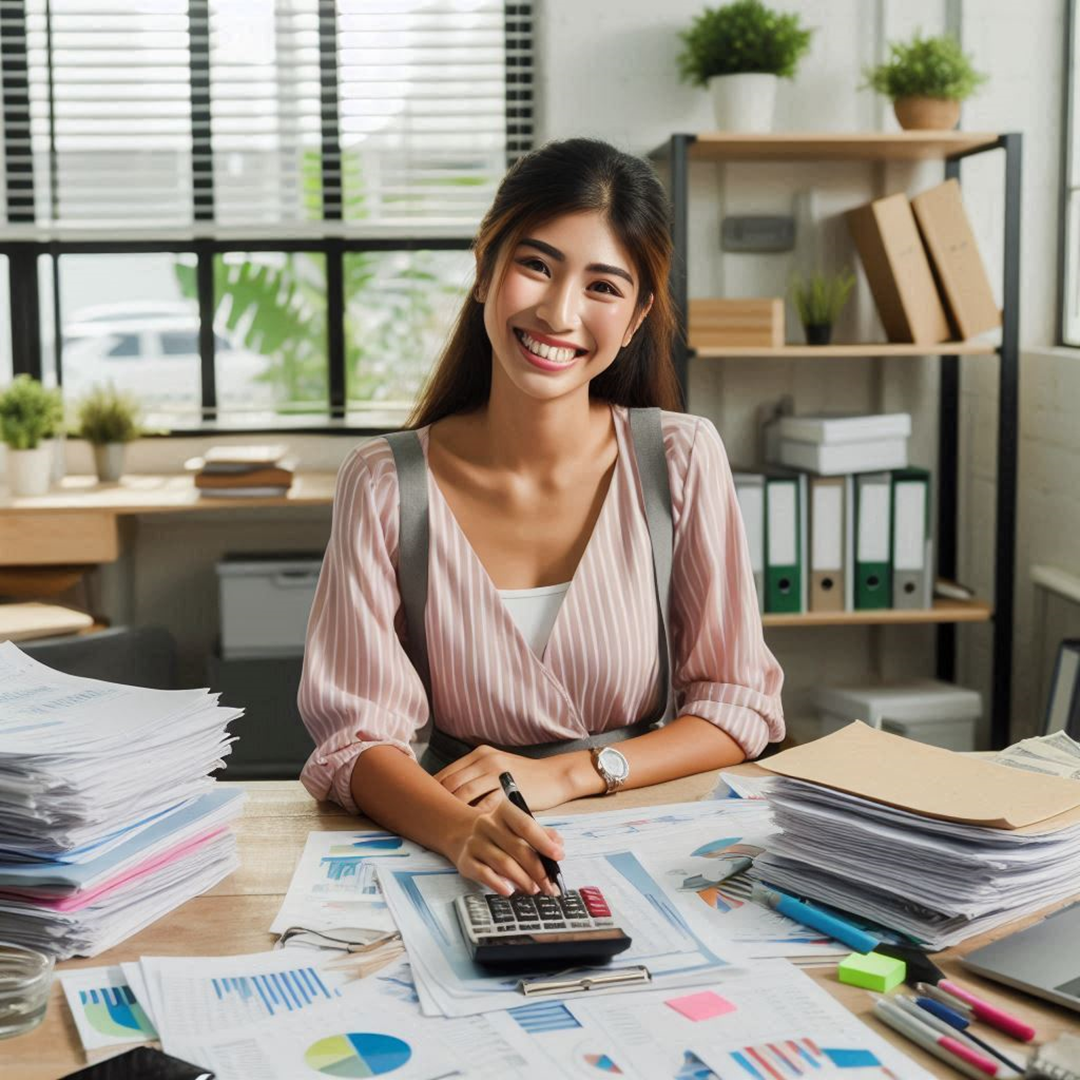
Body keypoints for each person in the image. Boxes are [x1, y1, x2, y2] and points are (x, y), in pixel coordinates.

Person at [298, 137, 784, 900]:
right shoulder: (386, 482)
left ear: (635, 318)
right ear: (485, 270)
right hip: (464, 856)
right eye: (536, 265)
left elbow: (737, 704)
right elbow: (357, 741)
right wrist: (462, 831)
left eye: (603, 286)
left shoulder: (683, 458)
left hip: (655, 849)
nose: (559, 312)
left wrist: (569, 773)